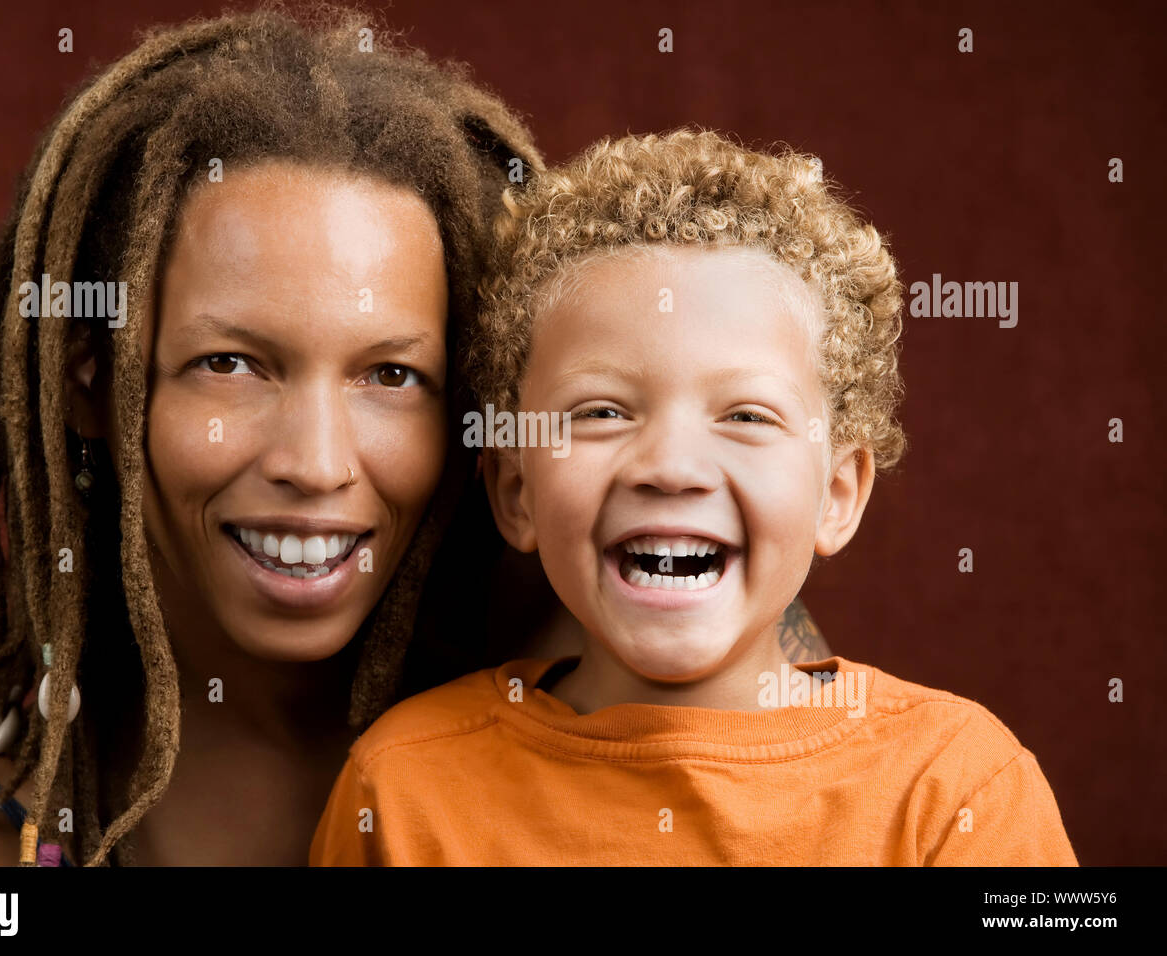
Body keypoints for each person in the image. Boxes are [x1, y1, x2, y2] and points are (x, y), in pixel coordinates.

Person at [0, 5, 544, 866]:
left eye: (391, 375)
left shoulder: (583, 709)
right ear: (93, 386)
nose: (315, 463)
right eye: (230, 364)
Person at [308, 129, 1078, 865]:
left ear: (837, 494)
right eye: (602, 412)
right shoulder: (404, 788)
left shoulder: (956, 790)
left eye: (746, 416)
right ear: (516, 492)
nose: (671, 467)